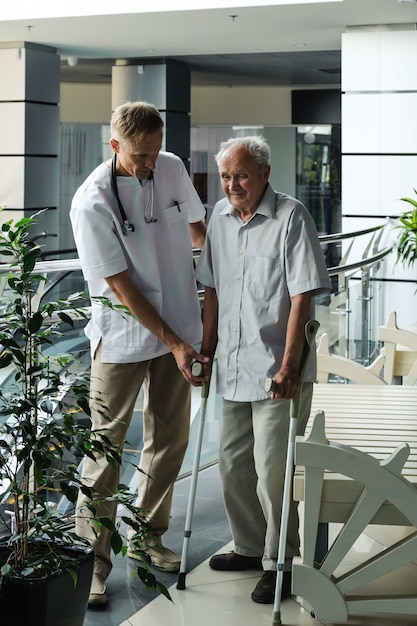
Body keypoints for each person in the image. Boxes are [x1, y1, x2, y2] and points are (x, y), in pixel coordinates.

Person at [70, 101, 208, 607]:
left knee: (170, 437)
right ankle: (93, 564)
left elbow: (198, 229)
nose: (150, 163)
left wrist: (224, 279)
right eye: (140, 155)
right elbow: (121, 285)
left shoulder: (169, 166)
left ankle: (147, 537)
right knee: (105, 448)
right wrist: (172, 341)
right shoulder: (92, 202)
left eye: (155, 151)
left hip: (180, 326)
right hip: (125, 334)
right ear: (115, 145)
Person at [195, 136, 331, 604]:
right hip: (231, 366)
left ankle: (283, 561)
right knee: (233, 466)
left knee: (273, 472)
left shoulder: (292, 217)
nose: (233, 184)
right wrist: (205, 351)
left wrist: (291, 366)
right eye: (227, 176)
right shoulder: (218, 218)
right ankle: (251, 547)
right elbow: (210, 290)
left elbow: (303, 296)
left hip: (277, 370)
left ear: (265, 174)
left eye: (242, 175)